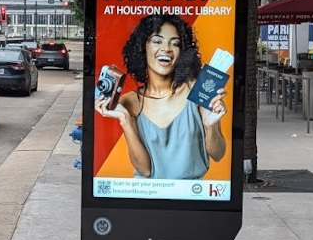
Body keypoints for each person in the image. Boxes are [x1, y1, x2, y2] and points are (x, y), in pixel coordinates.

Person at [94, 13, 227, 180]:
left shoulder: (197, 89)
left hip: (192, 195)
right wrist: (125, 119)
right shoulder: (129, 101)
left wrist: (210, 127)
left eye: (175, 43)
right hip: (146, 195)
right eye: (157, 41)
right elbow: (145, 170)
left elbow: (218, 154)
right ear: (143, 47)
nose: (166, 49)